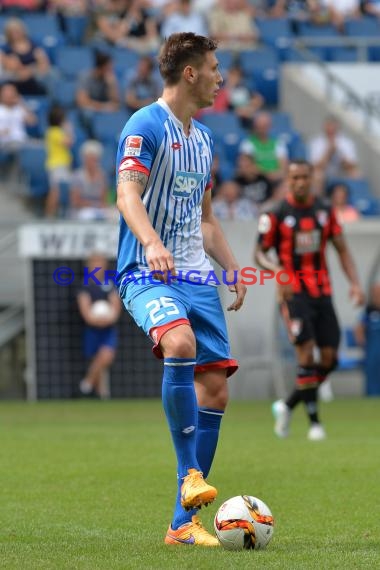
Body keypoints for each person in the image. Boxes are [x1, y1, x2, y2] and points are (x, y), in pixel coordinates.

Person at [116, 32, 246, 546]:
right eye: (214, 67)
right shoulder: (144, 124)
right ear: (190, 73)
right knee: (179, 344)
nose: (220, 76)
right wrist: (149, 241)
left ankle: (182, 526)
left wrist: (232, 265)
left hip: (196, 277)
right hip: (147, 271)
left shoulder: (205, 139)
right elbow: (127, 193)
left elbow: (206, 218)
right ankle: (191, 473)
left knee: (215, 389)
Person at [254, 159, 364, 441]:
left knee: (329, 359)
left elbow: (341, 250)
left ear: (312, 177)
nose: (300, 182)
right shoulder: (275, 213)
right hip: (293, 293)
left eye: (305, 177)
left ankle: (287, 405)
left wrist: (354, 283)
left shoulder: (324, 211)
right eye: (295, 178)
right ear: (288, 180)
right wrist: (278, 270)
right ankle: (315, 424)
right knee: (306, 355)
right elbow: (259, 253)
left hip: (322, 291)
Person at [77, 253, 122, 398]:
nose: (98, 266)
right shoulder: (85, 286)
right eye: (94, 263)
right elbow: (85, 310)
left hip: (108, 329)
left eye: (100, 263)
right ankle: (101, 394)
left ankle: (87, 384)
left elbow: (116, 307)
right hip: (92, 329)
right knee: (97, 359)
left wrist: (109, 319)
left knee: (106, 356)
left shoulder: (110, 284)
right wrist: (95, 320)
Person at [309, 116, 360, 194]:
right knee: (317, 175)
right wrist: (328, 153)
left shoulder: (346, 143)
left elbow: (352, 165)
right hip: (324, 174)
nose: (331, 130)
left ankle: (356, 202)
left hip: (341, 173)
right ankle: (318, 200)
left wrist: (340, 156)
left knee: (356, 174)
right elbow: (314, 166)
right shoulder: (316, 143)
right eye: (328, 127)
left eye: (333, 128)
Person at [1, 18, 51, 96]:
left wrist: (30, 70)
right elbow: (9, 65)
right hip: (13, 76)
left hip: (34, 75)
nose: (15, 34)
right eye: (12, 32)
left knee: (49, 77)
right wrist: (24, 68)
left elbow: (43, 63)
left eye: (17, 31)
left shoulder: (35, 45)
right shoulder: (5, 48)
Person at [44, 104, 73, 218]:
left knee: (61, 190)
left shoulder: (55, 131)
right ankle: (49, 214)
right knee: (55, 191)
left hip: (62, 165)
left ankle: (58, 213)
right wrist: (68, 129)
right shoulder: (54, 131)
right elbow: (69, 142)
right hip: (57, 165)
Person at [70, 140, 109, 220]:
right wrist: (93, 205)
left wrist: (100, 207)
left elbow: (103, 200)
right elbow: (75, 201)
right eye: (90, 159)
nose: (93, 162)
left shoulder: (102, 176)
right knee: (87, 215)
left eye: (95, 159)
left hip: (98, 210)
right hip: (80, 211)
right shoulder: (77, 176)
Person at [354, 282, 380, 396]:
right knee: (373, 372)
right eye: (375, 293)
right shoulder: (369, 310)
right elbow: (359, 328)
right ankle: (372, 395)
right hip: (373, 349)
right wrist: (361, 341)